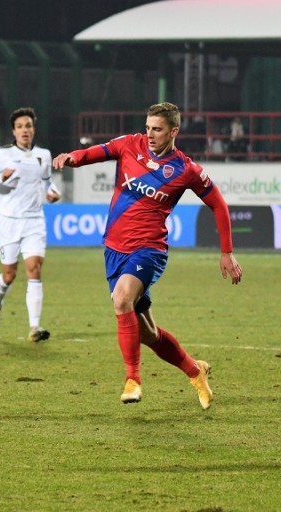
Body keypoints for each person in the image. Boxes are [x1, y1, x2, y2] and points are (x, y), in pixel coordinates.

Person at [53, 101, 242, 408]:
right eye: (148, 128)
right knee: (147, 334)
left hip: (149, 249)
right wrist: (72, 158)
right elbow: (93, 153)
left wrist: (227, 252)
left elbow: (218, 204)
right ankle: (196, 371)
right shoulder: (130, 145)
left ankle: (133, 380)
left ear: (173, 132)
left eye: (157, 129)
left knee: (122, 299)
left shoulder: (186, 170)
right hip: (114, 249)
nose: (150, 134)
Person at [0, 107, 61, 343]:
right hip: (8, 221)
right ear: (14, 131)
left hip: (34, 220)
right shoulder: (3, 154)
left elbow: (47, 183)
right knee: (9, 275)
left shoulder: (43, 155)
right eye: (20, 126)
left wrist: (53, 193)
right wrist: (0, 178)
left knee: (34, 268)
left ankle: (34, 327)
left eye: (29, 126)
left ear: (34, 130)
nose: (25, 130)